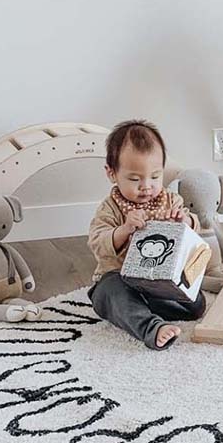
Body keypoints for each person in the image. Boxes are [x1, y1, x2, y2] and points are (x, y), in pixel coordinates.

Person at [88, 119, 204, 349]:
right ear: (112, 174)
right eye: (134, 179)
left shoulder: (170, 200)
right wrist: (124, 230)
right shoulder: (110, 207)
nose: (146, 186)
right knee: (111, 292)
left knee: (196, 304)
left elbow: (195, 227)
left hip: (158, 283)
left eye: (155, 177)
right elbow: (98, 242)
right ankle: (150, 326)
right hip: (119, 280)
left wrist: (184, 221)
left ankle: (142, 307)